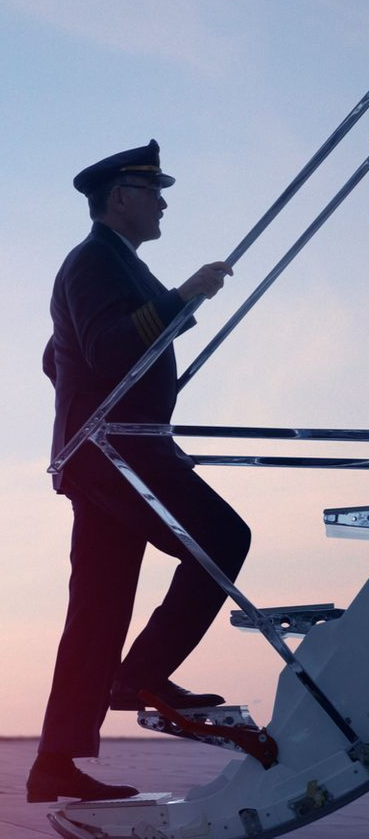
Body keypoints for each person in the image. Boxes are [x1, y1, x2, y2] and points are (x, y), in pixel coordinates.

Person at [27, 140, 251, 803]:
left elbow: (57, 357)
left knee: (97, 613)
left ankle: (54, 765)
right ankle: (142, 674)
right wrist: (189, 295)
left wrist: (87, 400)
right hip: (118, 455)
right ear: (119, 198)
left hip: (105, 454)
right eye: (153, 192)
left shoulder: (109, 265)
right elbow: (104, 347)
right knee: (221, 539)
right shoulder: (95, 261)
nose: (162, 204)